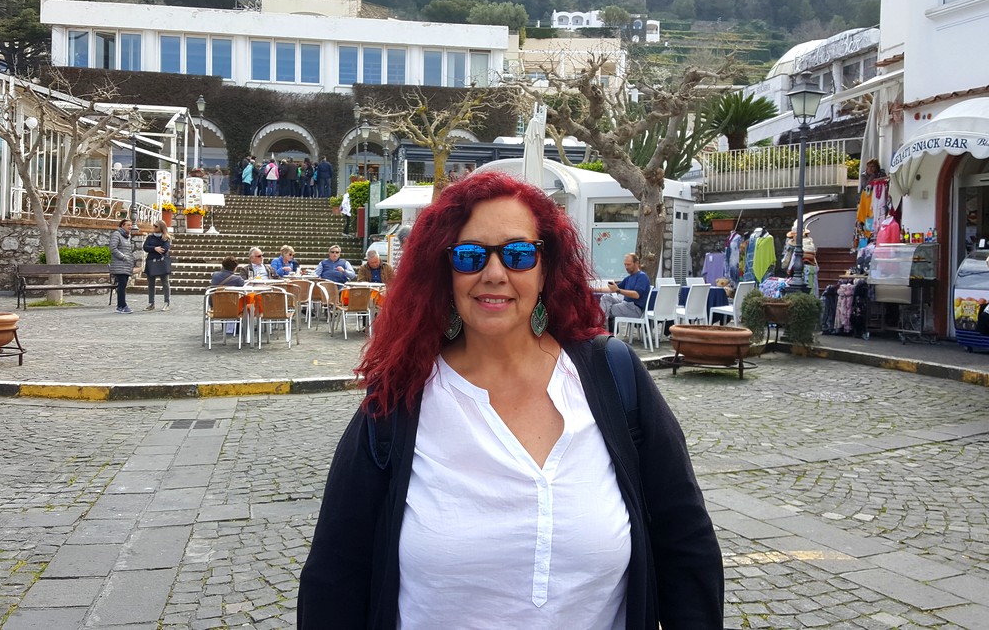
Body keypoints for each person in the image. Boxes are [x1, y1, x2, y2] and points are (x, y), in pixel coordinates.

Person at [298, 171, 724, 628]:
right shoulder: (401, 399)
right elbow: (335, 575)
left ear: (545, 269)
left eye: (519, 254)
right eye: (469, 256)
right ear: (445, 272)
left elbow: (686, 545)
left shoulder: (612, 377)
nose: (495, 273)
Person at [594, 252, 652, 331]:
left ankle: (602, 329)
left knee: (606, 308)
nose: (626, 267)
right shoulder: (629, 278)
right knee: (605, 298)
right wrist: (592, 289)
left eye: (629, 264)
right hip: (625, 304)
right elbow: (611, 289)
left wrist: (618, 290)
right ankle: (604, 327)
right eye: (625, 264)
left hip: (635, 309)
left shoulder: (642, 276)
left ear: (637, 263)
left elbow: (636, 295)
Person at [142, 220, 173, 311]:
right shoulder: (150, 237)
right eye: (154, 226)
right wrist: (155, 248)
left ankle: (166, 302)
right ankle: (151, 303)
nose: (154, 227)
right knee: (151, 283)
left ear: (161, 227)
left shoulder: (166, 237)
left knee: (165, 283)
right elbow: (145, 247)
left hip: (161, 262)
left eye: (156, 226)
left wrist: (154, 249)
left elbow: (165, 249)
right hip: (151, 261)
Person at [108, 218, 135, 314]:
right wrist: (123, 257)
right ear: (122, 225)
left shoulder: (127, 236)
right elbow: (113, 248)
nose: (130, 227)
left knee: (123, 285)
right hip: (119, 265)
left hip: (126, 265)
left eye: (131, 225)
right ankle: (123, 305)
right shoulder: (117, 234)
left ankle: (120, 306)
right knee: (122, 285)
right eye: (128, 225)